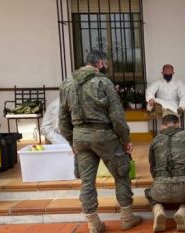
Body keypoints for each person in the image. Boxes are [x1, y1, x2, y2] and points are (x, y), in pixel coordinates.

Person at [59, 50, 141, 233]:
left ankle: (93, 223)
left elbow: (63, 120)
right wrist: (125, 139)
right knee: (122, 174)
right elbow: (117, 116)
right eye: (106, 63)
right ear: (101, 63)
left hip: (80, 137)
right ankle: (127, 217)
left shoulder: (66, 84)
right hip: (104, 136)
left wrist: (72, 141)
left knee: (87, 182)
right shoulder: (103, 82)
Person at [145, 114, 185, 232]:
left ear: (163, 126)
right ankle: (183, 211)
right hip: (184, 190)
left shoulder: (155, 140)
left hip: (159, 189)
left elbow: (153, 167)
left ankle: (158, 211)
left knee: (148, 192)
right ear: (178, 124)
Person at [42, 98, 80, 179]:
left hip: (62, 129)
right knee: (66, 147)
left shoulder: (68, 101)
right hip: (51, 129)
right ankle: (66, 171)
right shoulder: (58, 105)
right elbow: (59, 127)